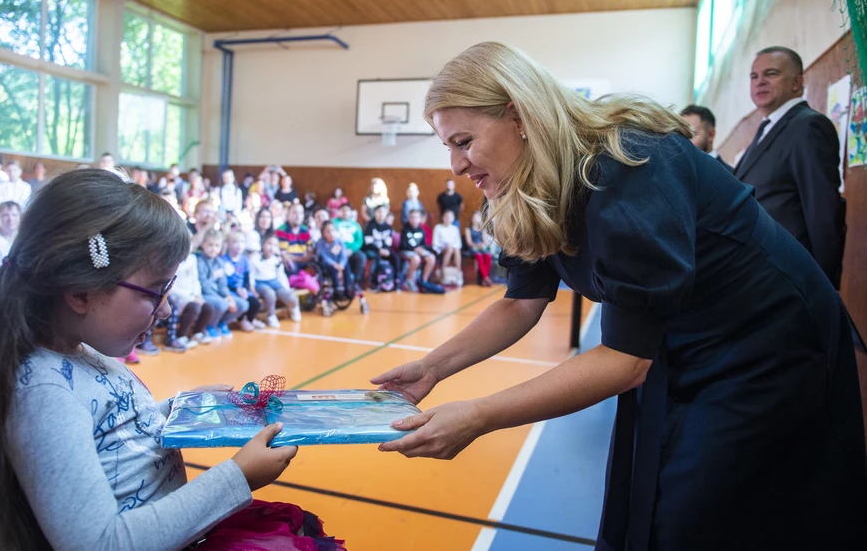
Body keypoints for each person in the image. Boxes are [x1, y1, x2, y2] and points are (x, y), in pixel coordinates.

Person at [371, 42, 866, 551]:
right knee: (645, 498)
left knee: (702, 513)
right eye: (447, 148)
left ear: (518, 113)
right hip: (679, 341)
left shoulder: (627, 163)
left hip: (766, 343)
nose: (456, 165)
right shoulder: (522, 181)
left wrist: (478, 415)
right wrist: (433, 368)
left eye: (463, 141)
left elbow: (625, 361)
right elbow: (522, 302)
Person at [0, 169, 343, 550]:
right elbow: (101, 543)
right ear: (80, 292)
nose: (165, 310)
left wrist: (178, 411)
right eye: (153, 291)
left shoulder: (81, 350)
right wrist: (237, 477)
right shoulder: (44, 394)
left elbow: (111, 433)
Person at [735, 46, 846, 289]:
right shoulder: (767, 129)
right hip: (759, 272)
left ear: (797, 82)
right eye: (754, 76)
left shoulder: (807, 126)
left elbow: (823, 210)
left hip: (791, 276)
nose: (760, 82)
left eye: (771, 74)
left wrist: (823, 284)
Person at [252, 235, 301, 328]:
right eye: (269, 244)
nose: (271, 247)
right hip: (260, 282)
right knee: (270, 294)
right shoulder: (255, 258)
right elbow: (251, 275)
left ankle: (294, 307)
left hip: (274, 281)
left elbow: (281, 275)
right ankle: (271, 316)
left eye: (275, 245)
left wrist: (286, 288)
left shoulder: (276, 260)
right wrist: (252, 289)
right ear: (263, 245)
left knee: (289, 296)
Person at [680, 105, 733, 172]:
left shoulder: (732, 176)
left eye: (691, 135)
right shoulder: (673, 173)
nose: (683, 141)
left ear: (711, 134)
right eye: (680, 135)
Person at [464, 210, 494, 286]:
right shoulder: (468, 229)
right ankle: (486, 278)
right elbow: (469, 242)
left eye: (477, 217)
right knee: (479, 256)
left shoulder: (482, 229)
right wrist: (477, 246)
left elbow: (484, 241)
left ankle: (484, 278)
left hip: (481, 247)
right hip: (473, 248)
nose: (475, 219)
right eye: (474, 217)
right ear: (471, 218)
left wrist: (482, 245)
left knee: (488, 256)